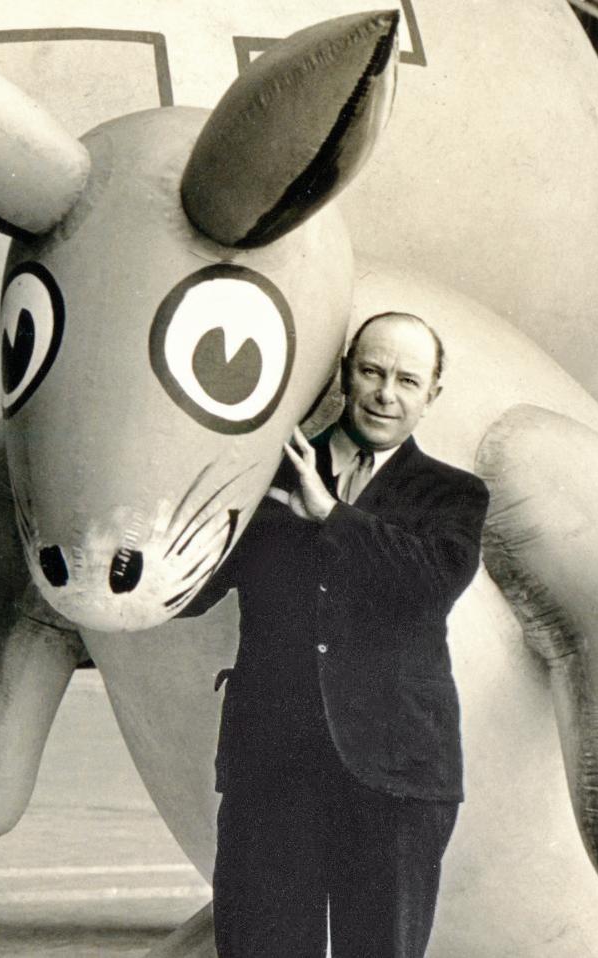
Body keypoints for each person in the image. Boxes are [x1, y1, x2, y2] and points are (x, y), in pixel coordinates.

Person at [184, 311, 489, 958]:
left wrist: (329, 514)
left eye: (408, 381)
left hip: (395, 777)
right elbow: (192, 590)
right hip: (272, 771)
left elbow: (431, 582)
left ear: (432, 395)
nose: (386, 394)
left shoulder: (454, 495)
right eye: (372, 372)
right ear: (343, 374)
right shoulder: (261, 471)